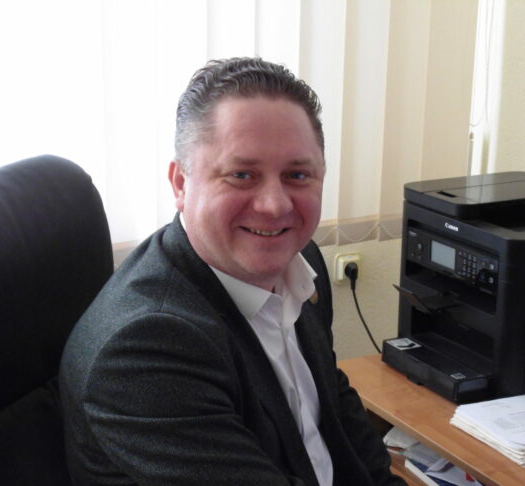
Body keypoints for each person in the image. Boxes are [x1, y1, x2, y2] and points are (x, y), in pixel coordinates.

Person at [59, 57, 405, 486]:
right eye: (242, 175)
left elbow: (342, 422)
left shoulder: (300, 264)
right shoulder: (146, 350)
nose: (275, 206)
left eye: (297, 174)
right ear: (180, 184)